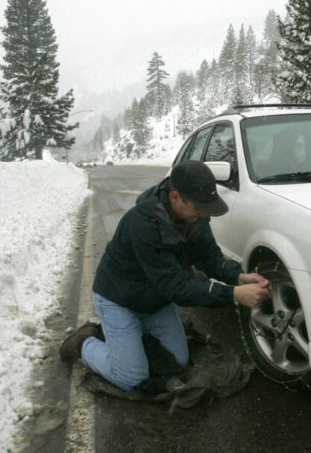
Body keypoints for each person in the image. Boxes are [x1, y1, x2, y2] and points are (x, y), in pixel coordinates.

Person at [59, 160, 272, 391]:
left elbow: (209, 257)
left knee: (178, 361)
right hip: (119, 300)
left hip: (155, 301)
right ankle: (84, 343)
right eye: (198, 206)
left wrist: (239, 277)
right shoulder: (143, 226)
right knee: (131, 377)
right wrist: (233, 294)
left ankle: (124, 339)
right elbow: (177, 288)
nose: (203, 212)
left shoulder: (195, 217)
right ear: (175, 196)